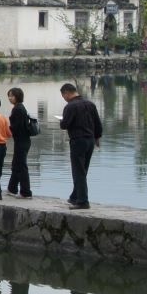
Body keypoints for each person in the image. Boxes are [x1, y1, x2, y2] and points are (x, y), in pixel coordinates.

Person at [58, 82, 104, 210]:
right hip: (90, 141)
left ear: (67, 93)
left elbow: (64, 125)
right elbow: (97, 123)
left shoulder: (70, 107)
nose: (64, 98)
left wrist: (61, 120)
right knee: (83, 170)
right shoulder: (90, 104)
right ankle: (75, 196)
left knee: (78, 171)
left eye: (63, 96)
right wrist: (97, 138)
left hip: (78, 140)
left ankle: (83, 201)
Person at [6, 87, 36, 198]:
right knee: (16, 164)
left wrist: (6, 129)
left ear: (18, 96)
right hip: (22, 141)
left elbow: (16, 127)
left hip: (22, 141)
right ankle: (12, 188)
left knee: (21, 166)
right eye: (9, 95)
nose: (10, 98)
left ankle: (26, 192)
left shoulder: (18, 109)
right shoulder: (19, 108)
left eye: (12, 96)